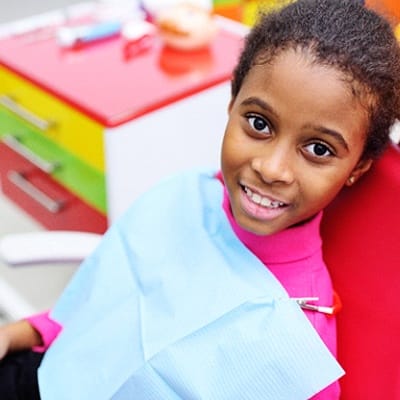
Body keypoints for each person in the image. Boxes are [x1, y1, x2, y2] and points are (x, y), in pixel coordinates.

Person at [1, 0, 400, 398]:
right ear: (232, 105)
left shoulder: (298, 344)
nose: (272, 168)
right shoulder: (186, 198)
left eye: (318, 149)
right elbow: (90, 314)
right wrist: (17, 334)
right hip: (46, 373)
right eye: (259, 124)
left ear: (357, 168)